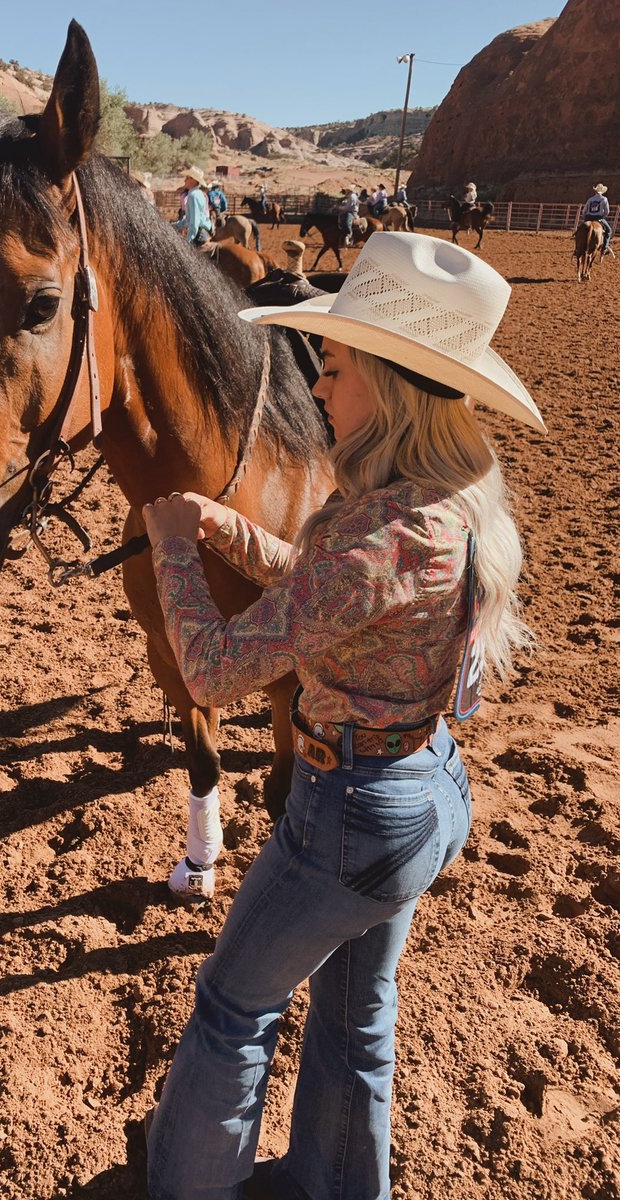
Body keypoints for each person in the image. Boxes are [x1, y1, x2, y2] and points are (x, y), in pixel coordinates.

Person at [143, 231, 546, 1200]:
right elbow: (330, 597)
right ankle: (334, 1184)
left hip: (347, 812)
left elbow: (210, 672)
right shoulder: (446, 503)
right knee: (359, 1021)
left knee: (232, 1007)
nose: (318, 387)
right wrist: (228, 527)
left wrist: (172, 547)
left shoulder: (375, 530)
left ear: (391, 386)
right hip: (423, 792)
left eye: (333, 367)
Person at [173, 167, 213, 246]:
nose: (185, 180)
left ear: (193, 180)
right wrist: (175, 226)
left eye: (187, 178)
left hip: (198, 235)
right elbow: (189, 219)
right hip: (202, 232)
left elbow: (194, 221)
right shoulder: (198, 193)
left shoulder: (193, 195)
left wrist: (188, 240)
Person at [581, 183, 614, 257]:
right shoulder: (604, 199)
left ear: (595, 191)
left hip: (588, 218)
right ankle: (604, 248)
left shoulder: (590, 199)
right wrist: (602, 217)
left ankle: (577, 249)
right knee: (609, 230)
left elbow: (584, 211)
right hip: (598, 218)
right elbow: (607, 211)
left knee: (580, 230)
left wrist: (585, 219)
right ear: (602, 191)